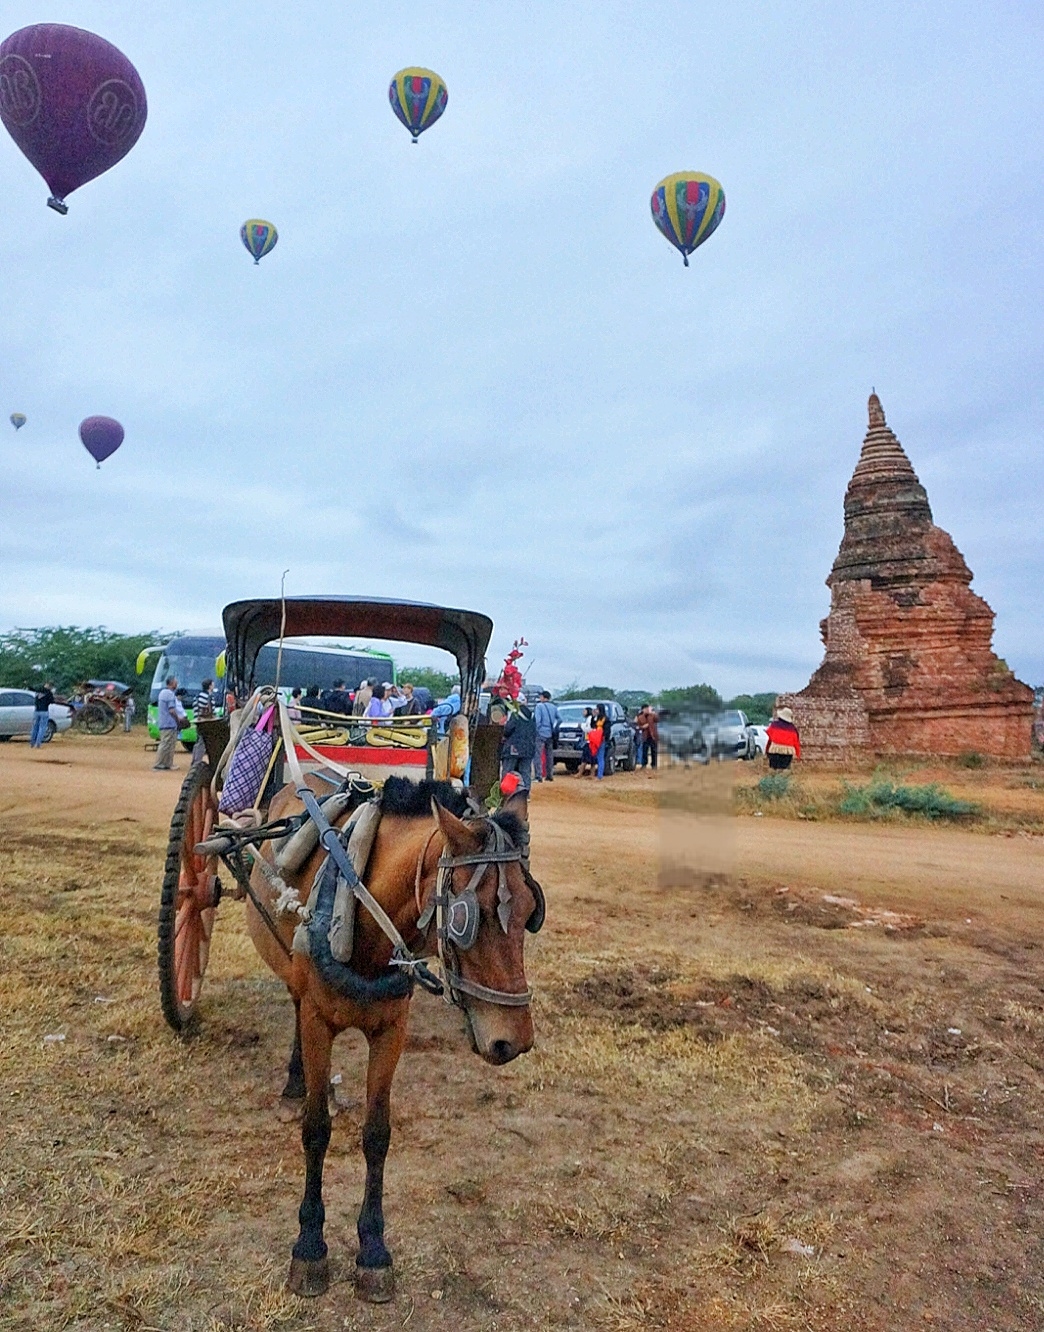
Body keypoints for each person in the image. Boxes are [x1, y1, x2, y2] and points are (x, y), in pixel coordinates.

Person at [501, 702, 537, 791]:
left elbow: (508, 729)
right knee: (525, 772)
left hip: (514, 747)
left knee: (508, 771)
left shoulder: (515, 714)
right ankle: (525, 794)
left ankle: (506, 793)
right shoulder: (532, 715)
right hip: (528, 748)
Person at [154, 675, 187, 771]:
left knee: (168, 744)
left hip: (164, 722)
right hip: (169, 723)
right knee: (167, 744)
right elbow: (172, 710)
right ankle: (160, 763)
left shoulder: (162, 693)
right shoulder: (170, 694)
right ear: (172, 683)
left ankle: (166, 764)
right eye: (176, 682)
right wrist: (178, 720)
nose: (177, 684)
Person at [533, 690, 559, 782]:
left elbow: (537, 720)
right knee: (549, 755)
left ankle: (538, 776)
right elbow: (560, 719)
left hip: (541, 733)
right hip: (550, 733)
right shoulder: (554, 707)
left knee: (538, 754)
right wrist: (554, 728)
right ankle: (550, 775)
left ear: (543, 697)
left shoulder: (539, 706)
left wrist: (537, 730)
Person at [765, 706, 801, 771]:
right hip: (787, 752)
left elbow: (770, 737)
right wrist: (798, 754)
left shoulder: (774, 725)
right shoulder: (792, 729)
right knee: (784, 770)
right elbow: (796, 742)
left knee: (774, 769)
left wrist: (767, 750)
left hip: (775, 750)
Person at [30, 681, 55, 748]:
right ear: (50, 686)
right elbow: (52, 701)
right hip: (44, 711)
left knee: (35, 727)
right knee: (42, 728)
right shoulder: (49, 693)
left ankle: (32, 743)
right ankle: (38, 744)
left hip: (36, 711)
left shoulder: (38, 691)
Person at [594, 703, 612, 779]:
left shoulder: (606, 719)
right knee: (597, 756)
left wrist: (603, 737)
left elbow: (607, 731)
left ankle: (600, 775)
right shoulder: (597, 718)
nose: (596, 710)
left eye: (597, 709)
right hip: (595, 738)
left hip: (601, 739)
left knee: (600, 756)